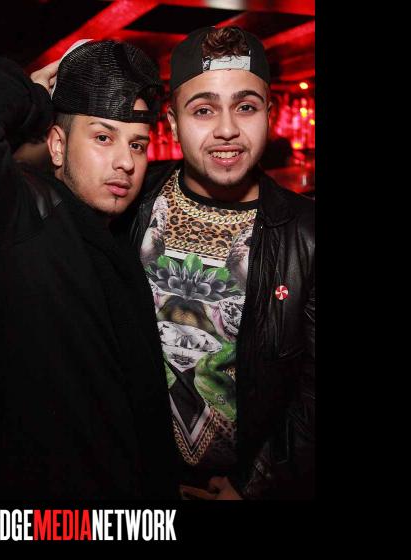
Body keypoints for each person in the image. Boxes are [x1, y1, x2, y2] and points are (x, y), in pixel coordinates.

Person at [118, 26, 315, 499]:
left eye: (245, 107)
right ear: (171, 123)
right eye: (203, 110)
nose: (227, 129)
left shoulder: (306, 235)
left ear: (269, 115)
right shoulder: (127, 205)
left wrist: (254, 487)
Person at [0, 40, 180, 500]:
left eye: (137, 144)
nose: (125, 162)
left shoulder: (119, 234)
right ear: (57, 145)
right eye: (103, 138)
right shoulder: (20, 216)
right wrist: (29, 93)